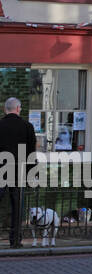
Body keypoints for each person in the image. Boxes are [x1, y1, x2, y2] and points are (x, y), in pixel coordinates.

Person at [0, 98, 37, 248]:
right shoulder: (27, 126)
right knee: (17, 207)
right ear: (18, 108)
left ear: (5, 109)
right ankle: (15, 240)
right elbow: (31, 153)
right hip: (19, 172)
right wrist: (32, 173)